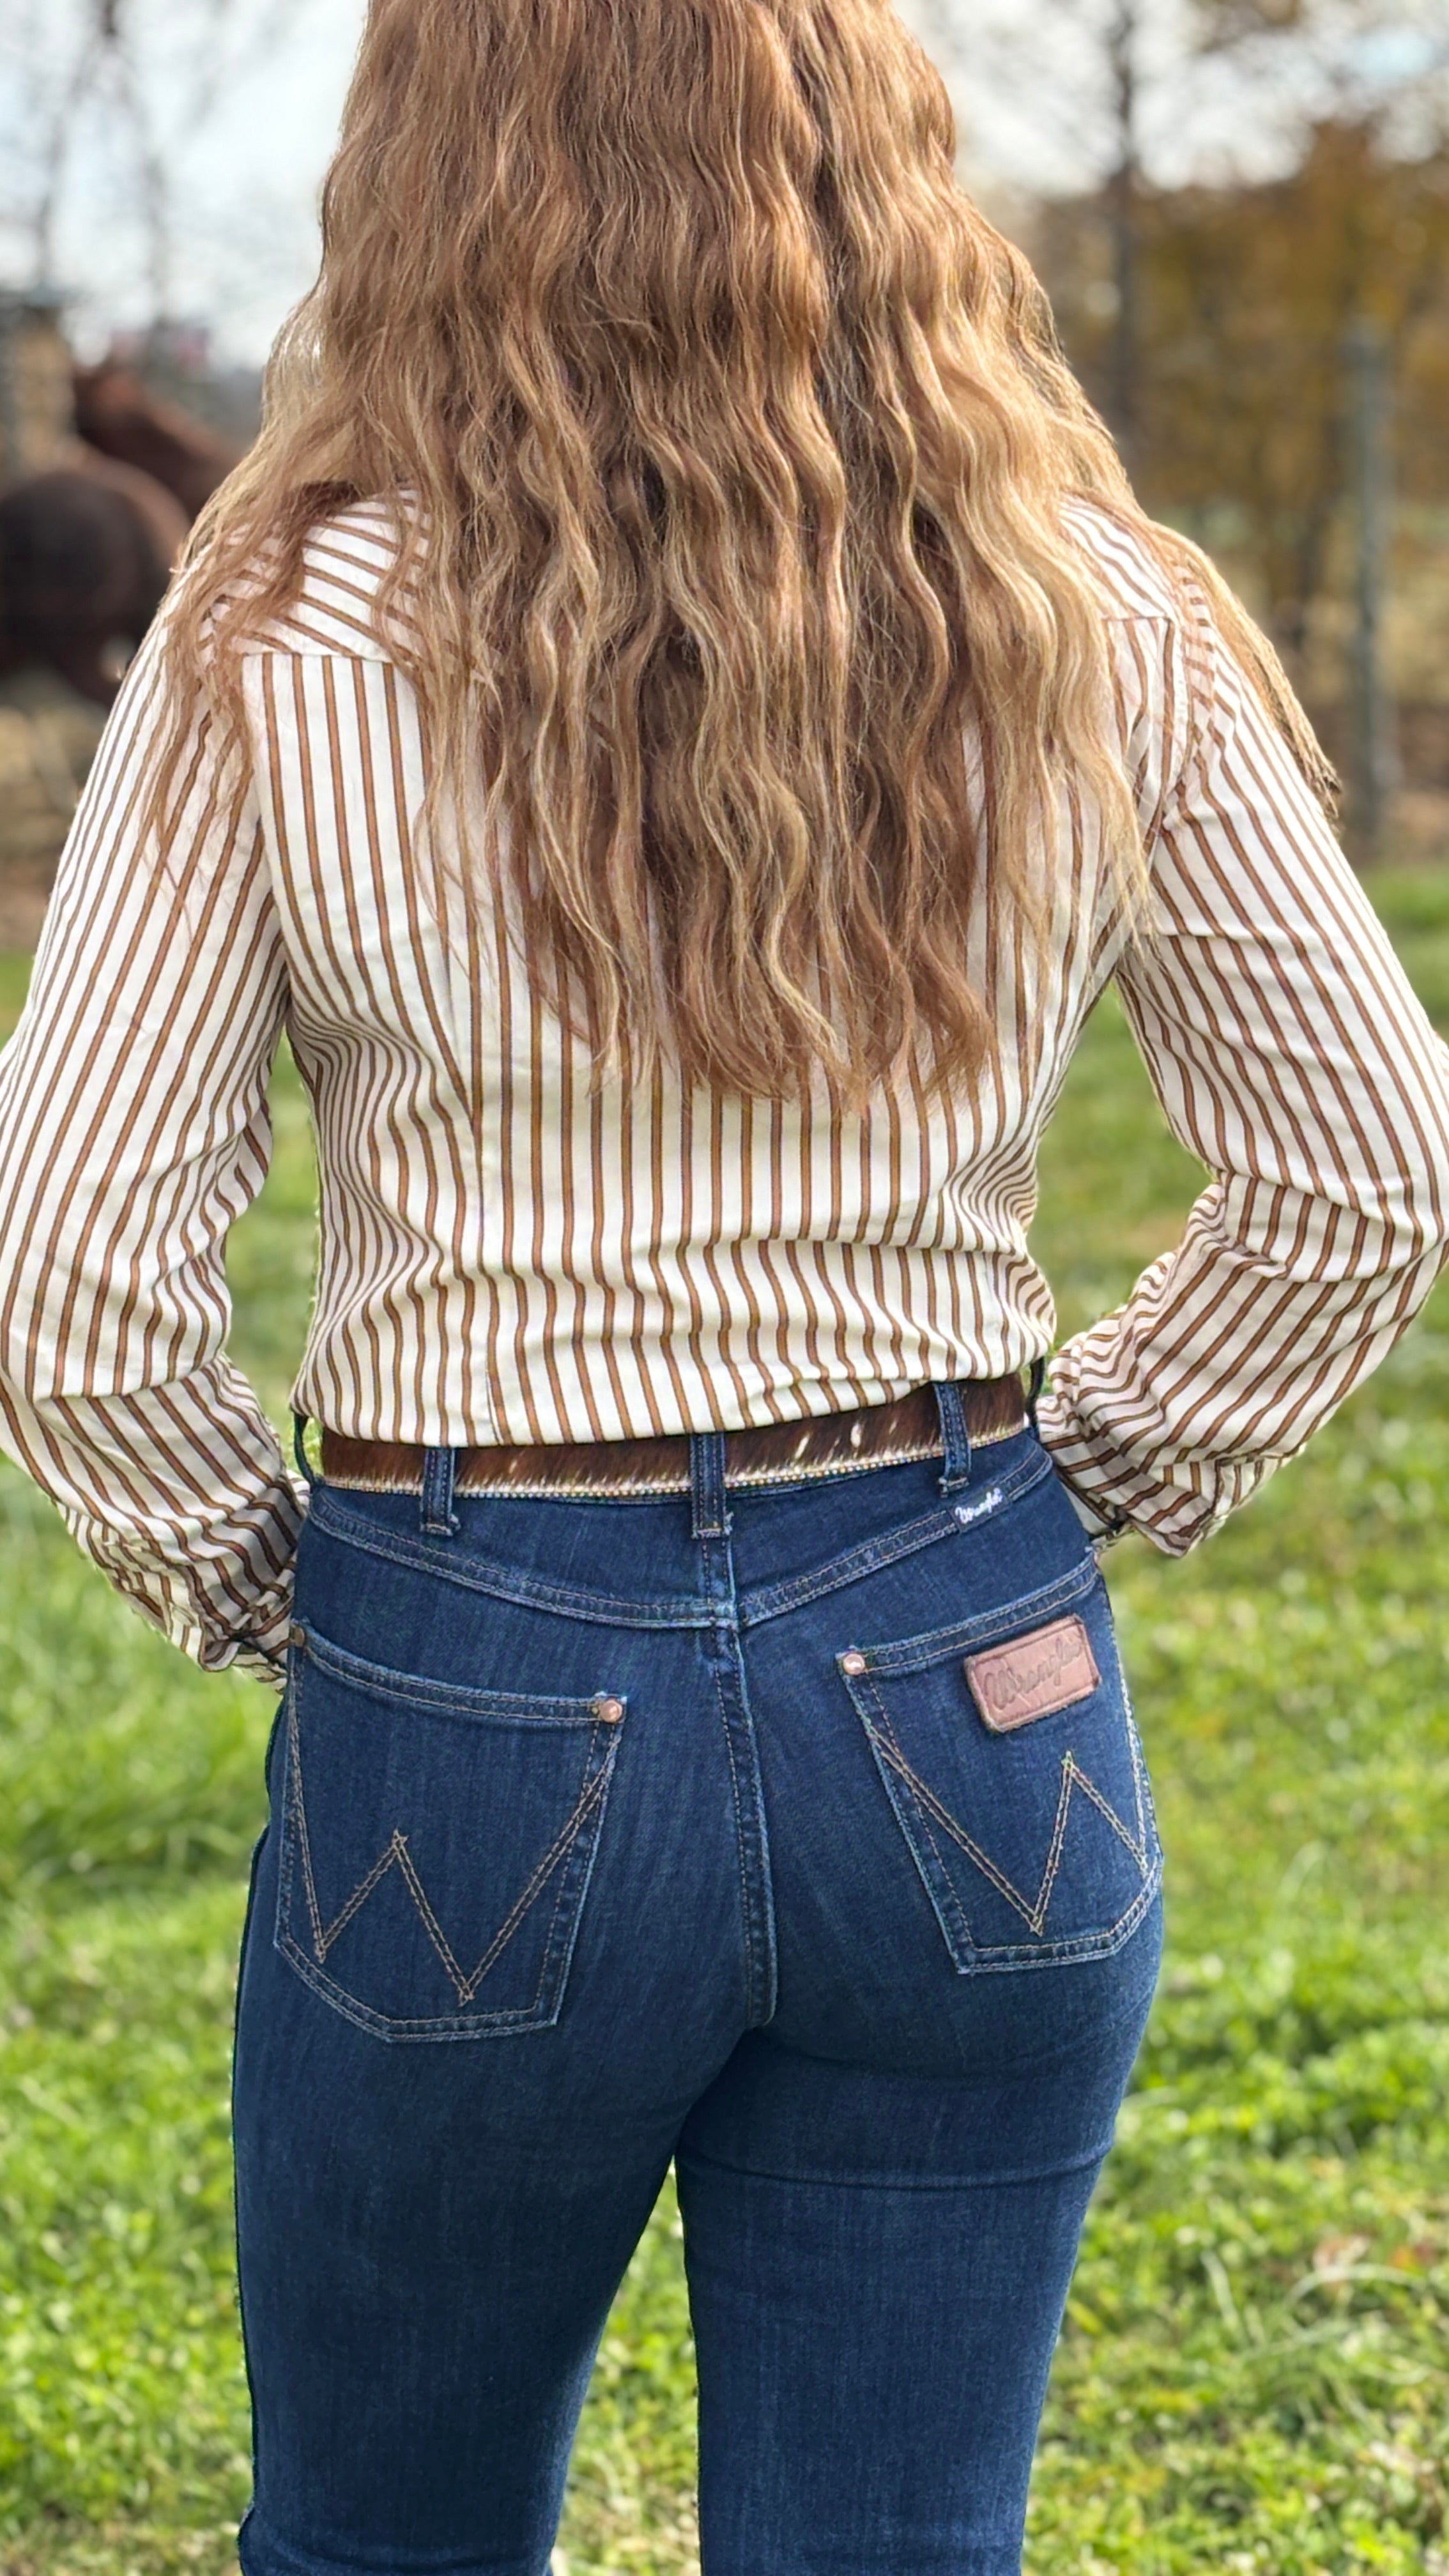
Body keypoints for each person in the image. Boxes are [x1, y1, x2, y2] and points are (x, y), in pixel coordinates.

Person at [1, 3, 1447, 2569]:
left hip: (468, 1657)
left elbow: (81, 1275)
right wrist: (1065, 1482)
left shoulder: (274, 627)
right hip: (975, 1667)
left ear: (424, 177)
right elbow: (1364, 1168)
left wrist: (310, 1598)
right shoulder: (1100, 602)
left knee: (384, 2540)